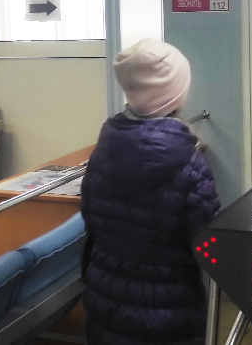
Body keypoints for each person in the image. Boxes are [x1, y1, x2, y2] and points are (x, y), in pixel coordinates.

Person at [81, 39, 221, 345]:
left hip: (106, 300)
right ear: (175, 94)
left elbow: (90, 218)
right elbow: (206, 240)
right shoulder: (188, 163)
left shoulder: (103, 150)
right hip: (168, 310)